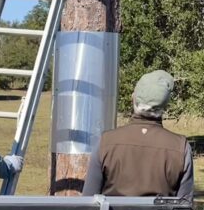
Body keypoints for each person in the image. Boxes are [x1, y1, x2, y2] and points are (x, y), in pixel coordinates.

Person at [81, 70, 194, 202]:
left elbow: (88, 202)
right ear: (165, 105)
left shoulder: (105, 142)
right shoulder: (181, 148)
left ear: (133, 99)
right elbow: (184, 207)